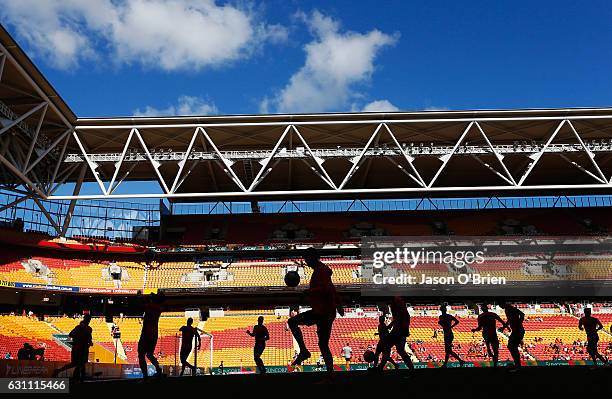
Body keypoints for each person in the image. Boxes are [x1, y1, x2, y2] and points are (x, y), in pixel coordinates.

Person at [287, 247, 344, 377]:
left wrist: (308, 292)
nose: (306, 262)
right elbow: (331, 288)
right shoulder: (321, 270)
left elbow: (325, 289)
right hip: (325, 312)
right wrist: (339, 305)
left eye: (307, 259)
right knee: (323, 344)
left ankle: (304, 351)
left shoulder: (321, 271)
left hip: (322, 313)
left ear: (312, 257)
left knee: (292, 321)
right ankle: (330, 376)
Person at [52, 314, 93, 381]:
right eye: (88, 319)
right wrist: (80, 337)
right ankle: (77, 377)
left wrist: (88, 342)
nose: (88, 320)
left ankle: (59, 371)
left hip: (80, 348)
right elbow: (71, 335)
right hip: (79, 348)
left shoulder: (88, 329)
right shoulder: (81, 328)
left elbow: (89, 339)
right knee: (80, 363)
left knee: (79, 364)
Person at [378, 296, 414, 371]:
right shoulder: (399, 306)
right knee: (400, 350)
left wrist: (392, 328)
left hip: (398, 331)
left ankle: (380, 368)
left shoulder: (395, 306)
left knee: (386, 347)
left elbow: (398, 319)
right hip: (401, 331)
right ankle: (411, 368)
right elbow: (398, 319)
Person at [138, 292, 164, 380]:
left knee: (141, 354)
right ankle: (158, 369)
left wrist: (140, 296)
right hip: (154, 334)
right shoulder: (159, 308)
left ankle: (145, 376)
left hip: (146, 333)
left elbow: (141, 302)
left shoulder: (150, 306)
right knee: (149, 354)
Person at [471, 303, 505, 368]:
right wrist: (504, 327)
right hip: (493, 333)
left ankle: (489, 350)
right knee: (496, 350)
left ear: (482, 309)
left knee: (489, 344)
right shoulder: (492, 314)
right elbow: (502, 321)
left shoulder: (481, 316)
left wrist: (474, 330)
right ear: (487, 308)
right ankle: (495, 364)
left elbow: (479, 328)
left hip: (486, 334)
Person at [501, 302, 525, 370]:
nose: (500, 306)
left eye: (500, 304)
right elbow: (509, 320)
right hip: (516, 331)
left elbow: (522, 314)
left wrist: (519, 323)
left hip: (518, 330)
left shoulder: (511, 308)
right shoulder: (508, 309)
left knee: (512, 346)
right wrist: (504, 327)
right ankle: (517, 364)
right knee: (512, 347)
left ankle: (518, 365)